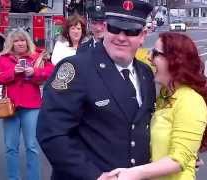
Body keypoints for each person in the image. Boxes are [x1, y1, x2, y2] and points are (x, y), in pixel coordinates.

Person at [36, 1, 155, 180]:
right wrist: (94, 176)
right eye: (115, 29)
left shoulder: (146, 73)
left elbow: (144, 128)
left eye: (131, 31)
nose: (121, 37)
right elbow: (52, 133)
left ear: (143, 35)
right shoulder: (75, 68)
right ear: (105, 28)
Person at [107, 32, 207, 180]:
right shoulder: (164, 96)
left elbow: (178, 160)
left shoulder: (190, 101)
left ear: (175, 60)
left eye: (156, 53)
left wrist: (132, 173)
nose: (149, 57)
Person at [0, 28, 54, 180]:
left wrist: (34, 72)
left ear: (28, 41)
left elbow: (51, 72)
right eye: (16, 41)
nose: (20, 43)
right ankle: (14, 178)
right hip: (10, 107)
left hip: (31, 106)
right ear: (11, 44)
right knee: (10, 147)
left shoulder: (38, 56)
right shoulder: (3, 58)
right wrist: (14, 71)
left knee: (32, 146)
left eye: (23, 40)